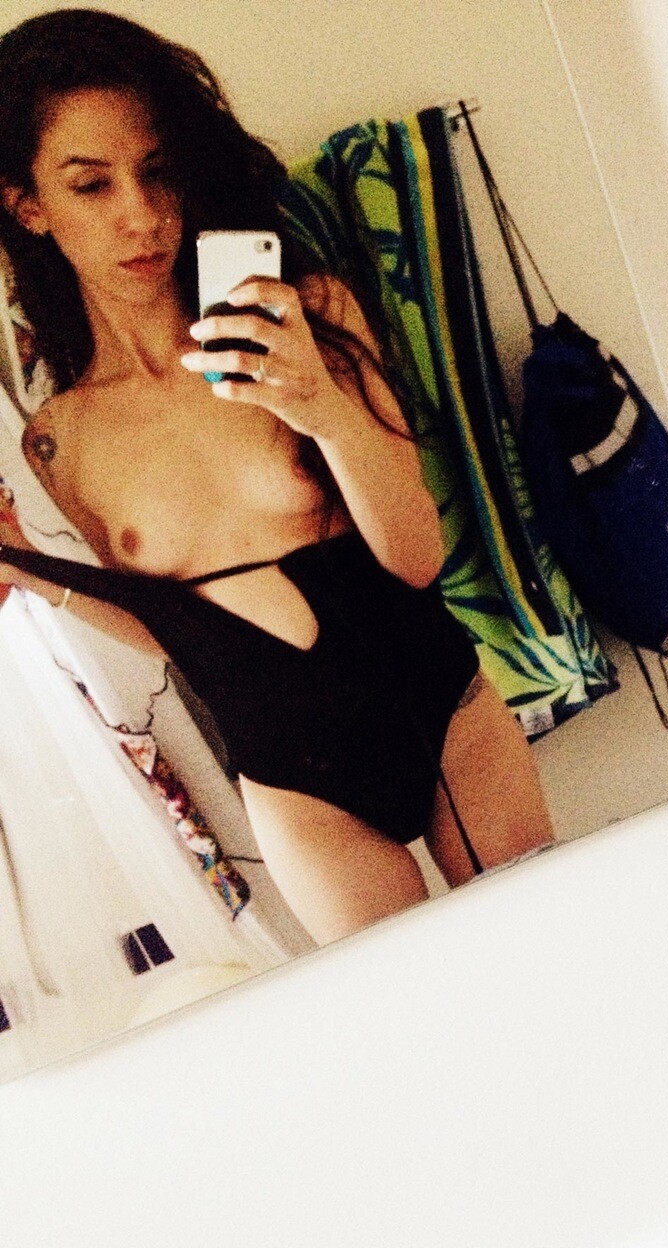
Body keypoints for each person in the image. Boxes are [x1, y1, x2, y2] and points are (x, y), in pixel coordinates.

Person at [0, 7, 555, 944]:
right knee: (407, 1008)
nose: (142, 215)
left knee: (554, 947)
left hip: (445, 717)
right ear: (28, 206)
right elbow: (175, 625)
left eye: (158, 171)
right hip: (293, 781)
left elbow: (416, 558)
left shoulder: (307, 318)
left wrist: (320, 406)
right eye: (91, 184)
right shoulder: (60, 439)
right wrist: (27, 567)